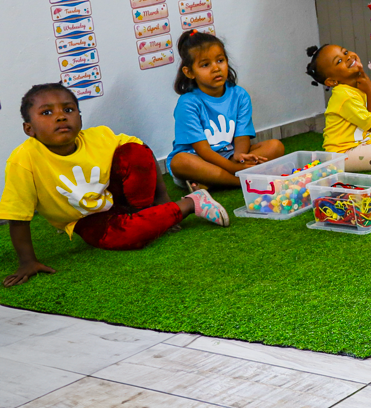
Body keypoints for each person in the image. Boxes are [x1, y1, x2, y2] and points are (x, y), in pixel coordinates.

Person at [2, 83, 230, 285]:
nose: (61, 116)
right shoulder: (23, 160)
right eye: (47, 112)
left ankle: (154, 213)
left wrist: (161, 202)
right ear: (29, 129)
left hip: (115, 198)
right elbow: (18, 217)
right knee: (127, 237)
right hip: (85, 218)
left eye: (69, 110)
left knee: (133, 151)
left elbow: (143, 153)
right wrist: (27, 262)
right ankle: (191, 204)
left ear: (80, 117)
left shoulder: (99, 136)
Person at [168, 30, 284, 188]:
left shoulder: (240, 95)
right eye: (205, 65)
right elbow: (202, 149)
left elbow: (242, 136)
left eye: (220, 60)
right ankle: (239, 182)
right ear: (189, 72)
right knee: (179, 162)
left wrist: (240, 158)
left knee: (275, 146)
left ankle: (211, 182)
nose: (216, 68)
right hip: (198, 159)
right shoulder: (187, 103)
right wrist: (234, 168)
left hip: (229, 155)